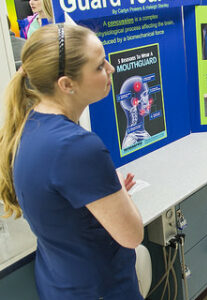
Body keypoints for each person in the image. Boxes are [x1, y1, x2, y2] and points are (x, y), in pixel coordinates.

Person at [0, 24, 144, 299]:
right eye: (100, 66)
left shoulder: (28, 126)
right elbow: (132, 235)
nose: (111, 69)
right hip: (101, 288)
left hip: (59, 283)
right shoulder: (78, 146)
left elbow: (63, 211)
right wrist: (120, 195)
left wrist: (108, 197)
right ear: (67, 84)